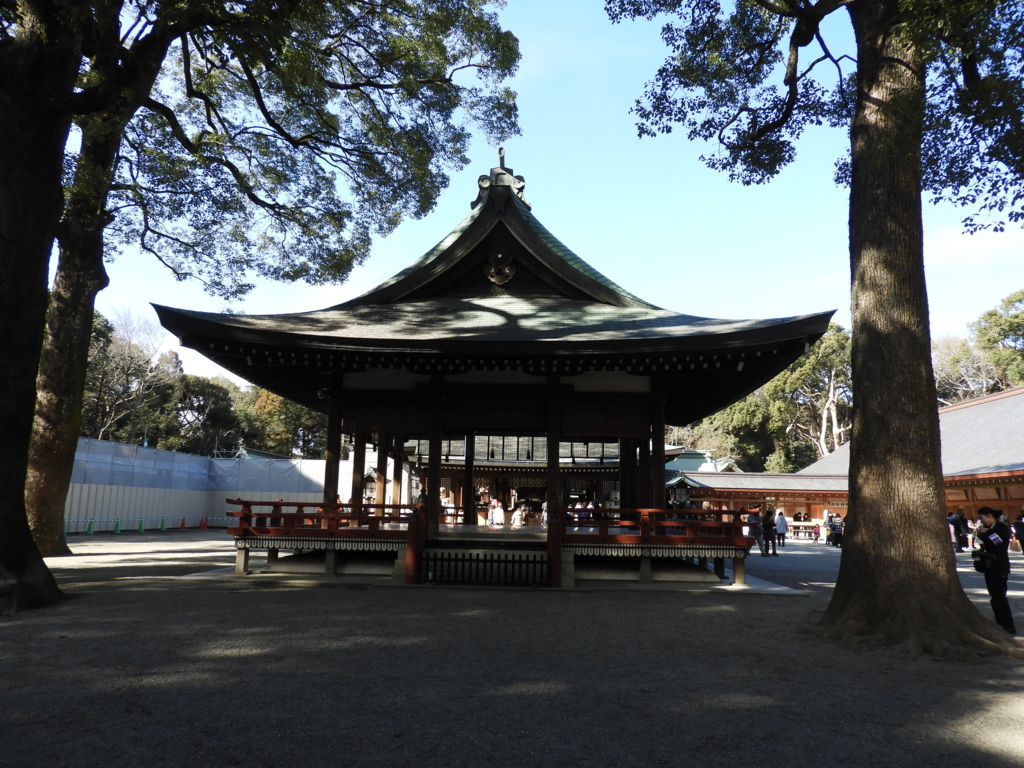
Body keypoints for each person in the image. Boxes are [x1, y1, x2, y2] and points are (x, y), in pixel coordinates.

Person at [975, 507, 1016, 636]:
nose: (981, 522)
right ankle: (1000, 622)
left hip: (999, 566)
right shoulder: (992, 528)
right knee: (994, 596)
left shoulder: (1001, 528)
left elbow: (993, 542)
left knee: (999, 596)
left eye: (982, 518)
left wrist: (983, 533)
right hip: (990, 566)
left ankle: (1008, 625)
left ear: (989, 515)